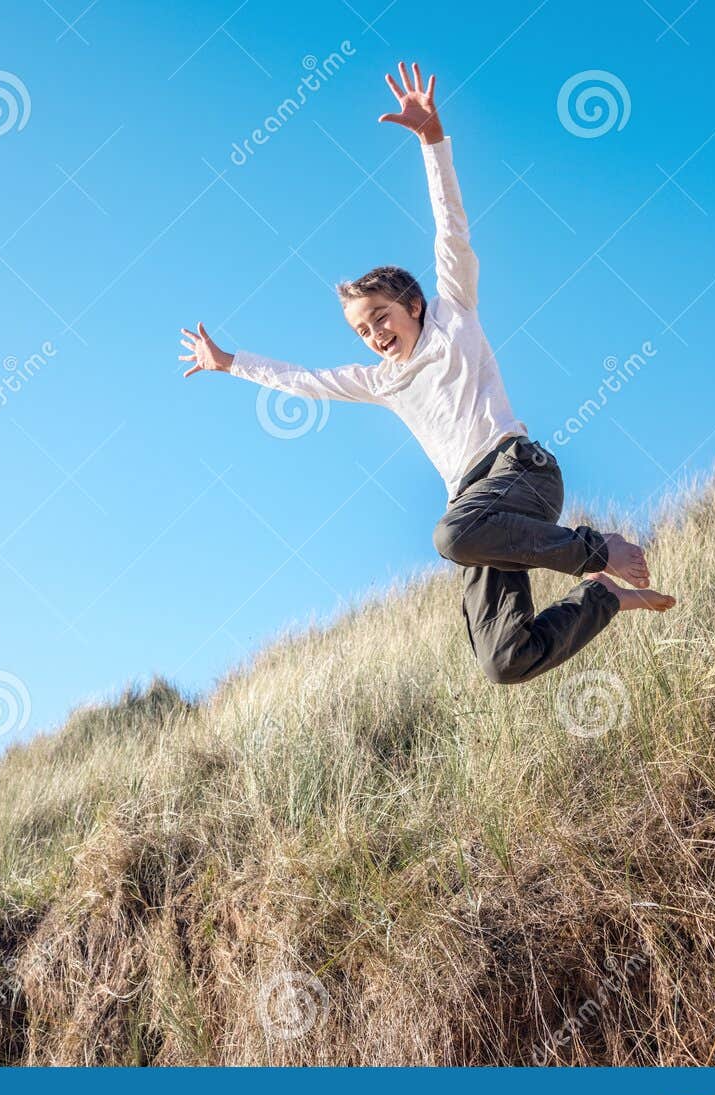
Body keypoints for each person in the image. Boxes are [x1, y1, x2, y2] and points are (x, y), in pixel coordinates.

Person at [178, 60, 675, 686]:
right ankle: (606, 595)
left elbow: (452, 227)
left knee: (449, 534)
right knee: (504, 661)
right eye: (362, 330)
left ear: (412, 304)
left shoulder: (453, 314)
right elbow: (305, 380)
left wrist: (432, 140)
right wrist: (230, 364)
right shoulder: (381, 380)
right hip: (480, 517)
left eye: (380, 317)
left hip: (517, 473)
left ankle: (599, 551)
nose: (375, 335)